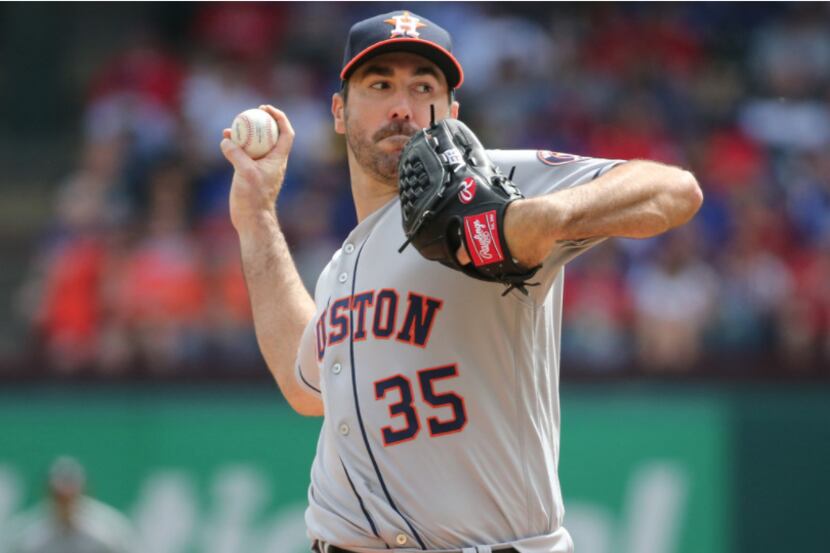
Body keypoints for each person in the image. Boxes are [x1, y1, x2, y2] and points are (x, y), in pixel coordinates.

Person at [219, 10, 703, 553]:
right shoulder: (342, 266)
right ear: (339, 110)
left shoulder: (493, 184)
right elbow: (304, 386)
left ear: (451, 113)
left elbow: (674, 190)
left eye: (422, 86)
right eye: (379, 85)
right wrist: (257, 215)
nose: (401, 107)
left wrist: (537, 219)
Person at [1, 457, 138, 553]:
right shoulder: (28, 535)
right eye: (60, 496)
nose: (66, 503)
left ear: (84, 492)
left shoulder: (110, 530)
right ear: (48, 493)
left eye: (71, 495)